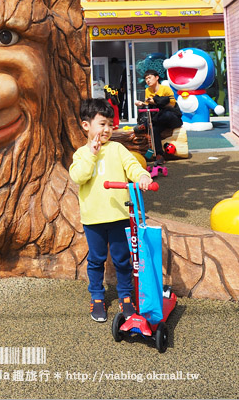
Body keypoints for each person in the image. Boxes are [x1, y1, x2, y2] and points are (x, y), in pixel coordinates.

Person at [69, 98, 152, 323]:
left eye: (110, 125)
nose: (107, 129)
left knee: (123, 258)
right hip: (93, 218)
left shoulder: (117, 148)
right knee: (96, 259)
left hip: (119, 216)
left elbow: (132, 166)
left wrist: (143, 175)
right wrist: (92, 153)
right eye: (102, 124)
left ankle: (126, 296)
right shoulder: (81, 153)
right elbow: (78, 176)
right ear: (87, 126)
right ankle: (97, 296)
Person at [134, 69, 182, 163]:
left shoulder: (165, 88)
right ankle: (159, 155)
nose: (147, 80)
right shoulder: (148, 90)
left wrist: (156, 101)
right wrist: (142, 104)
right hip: (159, 120)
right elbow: (149, 104)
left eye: (149, 77)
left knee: (165, 114)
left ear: (157, 78)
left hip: (172, 117)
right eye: (146, 79)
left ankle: (145, 125)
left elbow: (171, 105)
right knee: (154, 128)